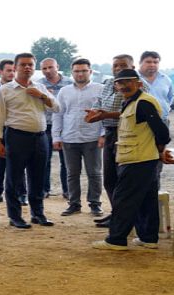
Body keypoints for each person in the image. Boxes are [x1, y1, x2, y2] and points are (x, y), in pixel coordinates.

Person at [91, 69, 171, 251]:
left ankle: (116, 240)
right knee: (146, 199)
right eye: (120, 83)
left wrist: (159, 150)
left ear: (139, 83)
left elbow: (163, 133)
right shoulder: (132, 102)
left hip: (139, 159)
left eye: (128, 82)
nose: (123, 86)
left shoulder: (143, 103)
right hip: (141, 158)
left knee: (123, 198)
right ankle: (148, 238)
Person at [0, 53, 60, 229]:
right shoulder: (4, 90)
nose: (27, 67)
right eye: (23, 65)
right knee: (14, 178)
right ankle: (15, 216)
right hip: (16, 137)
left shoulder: (40, 88)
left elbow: (58, 107)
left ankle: (38, 214)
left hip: (41, 137)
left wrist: (42, 96)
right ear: (15, 68)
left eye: (30, 64)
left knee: (38, 177)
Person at [85, 54, 149, 228]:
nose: (118, 68)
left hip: (129, 135)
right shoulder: (107, 84)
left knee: (124, 181)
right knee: (110, 179)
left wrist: (104, 115)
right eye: (115, 65)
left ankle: (125, 220)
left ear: (132, 67)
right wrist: (95, 112)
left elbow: (133, 111)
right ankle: (118, 214)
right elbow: (100, 103)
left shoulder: (139, 86)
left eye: (123, 65)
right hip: (110, 133)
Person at [52, 58, 104, 217]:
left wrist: (103, 134)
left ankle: (95, 203)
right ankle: (74, 204)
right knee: (71, 173)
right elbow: (58, 114)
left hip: (92, 138)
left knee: (94, 173)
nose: (80, 74)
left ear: (90, 72)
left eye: (84, 70)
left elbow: (105, 114)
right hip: (69, 138)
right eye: (77, 71)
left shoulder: (100, 89)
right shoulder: (64, 91)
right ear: (71, 72)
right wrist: (56, 137)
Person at [0, 59, 27, 206]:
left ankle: (22, 194)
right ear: (0, 72)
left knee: (18, 165)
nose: (11, 73)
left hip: (16, 132)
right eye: (8, 70)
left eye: (14, 70)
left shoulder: (21, 88)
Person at [38, 58, 71, 199]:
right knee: (44, 159)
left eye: (50, 67)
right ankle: (44, 189)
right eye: (44, 68)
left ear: (57, 66)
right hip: (44, 126)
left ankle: (68, 190)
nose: (47, 71)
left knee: (67, 161)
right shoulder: (38, 85)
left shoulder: (70, 83)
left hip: (65, 126)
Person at [138, 51, 174, 126]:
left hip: (162, 121)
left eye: (155, 62)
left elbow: (169, 99)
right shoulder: (133, 79)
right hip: (139, 123)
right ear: (140, 63)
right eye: (148, 62)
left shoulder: (166, 79)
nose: (152, 65)